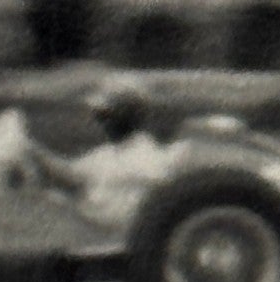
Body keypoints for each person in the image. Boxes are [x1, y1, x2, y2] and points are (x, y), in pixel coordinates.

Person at [24, 74, 174, 230]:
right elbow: (70, 172)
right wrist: (33, 152)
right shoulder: (107, 153)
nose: (101, 122)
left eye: (107, 115)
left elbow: (79, 184)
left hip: (114, 237)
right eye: (100, 115)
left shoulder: (148, 156)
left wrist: (34, 153)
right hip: (92, 227)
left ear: (129, 115)